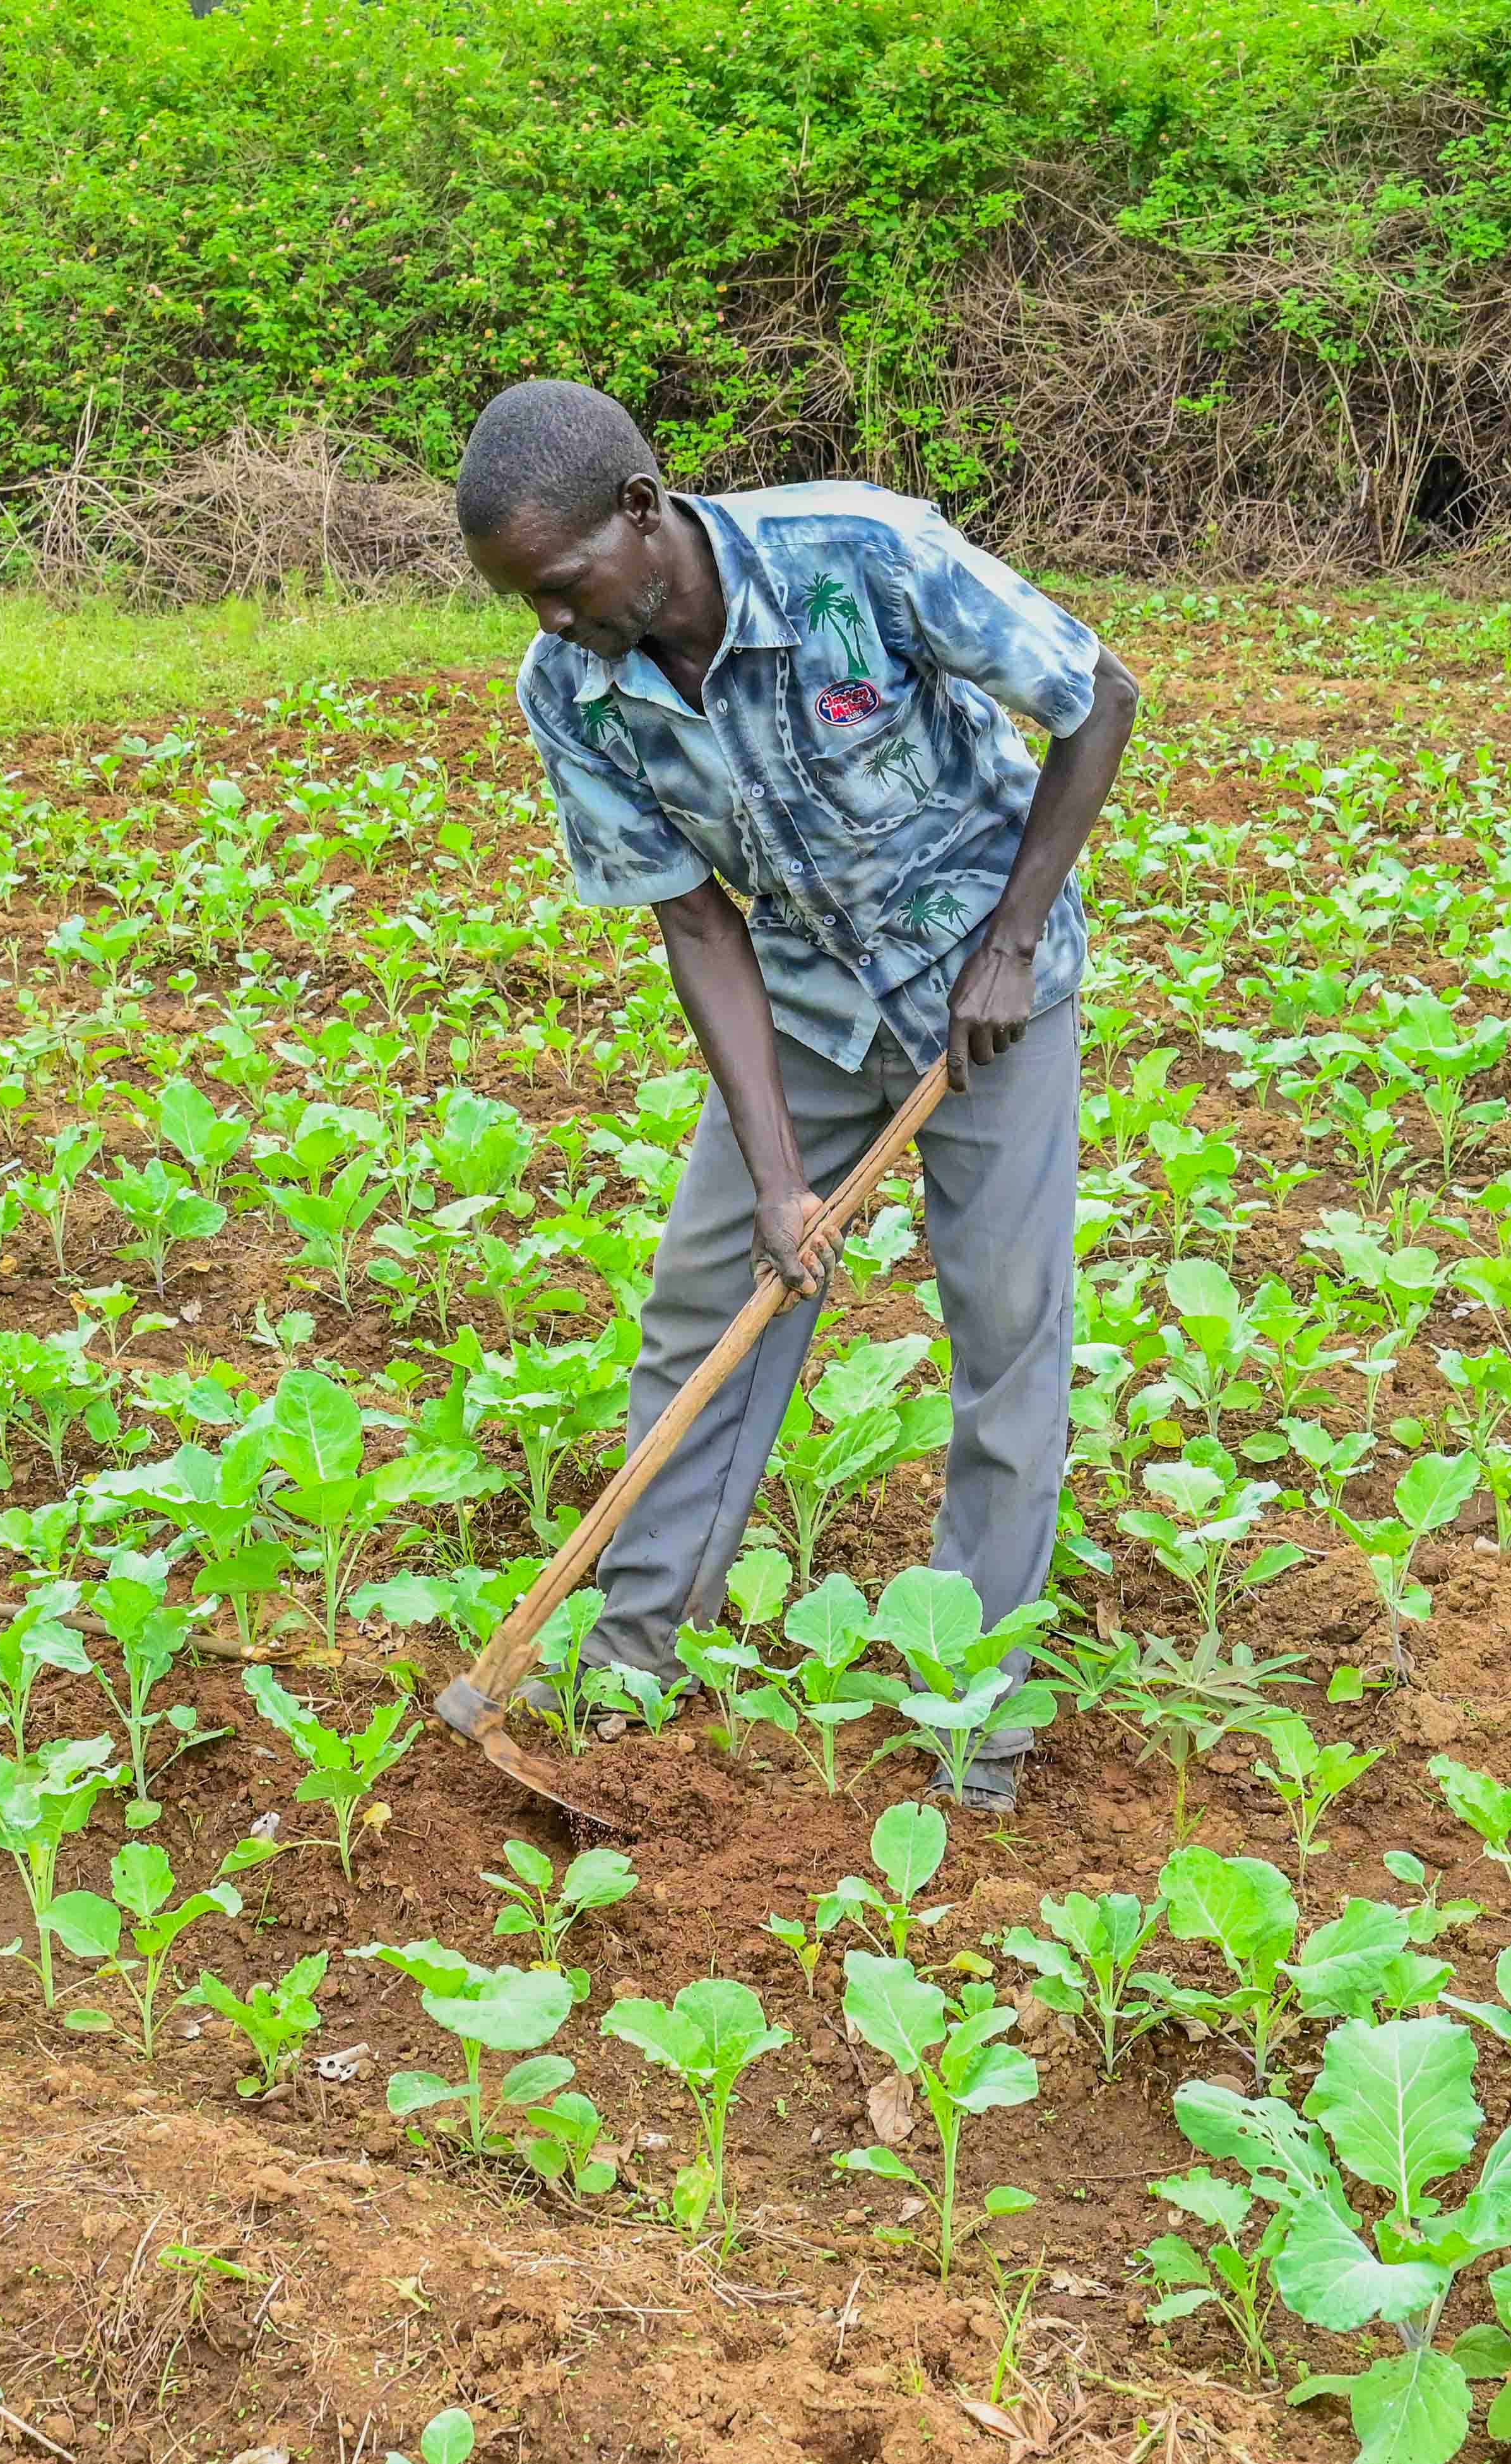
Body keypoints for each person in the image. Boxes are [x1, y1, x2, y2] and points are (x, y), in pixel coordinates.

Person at [456, 378, 1139, 1812]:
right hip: (809, 1004)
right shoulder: (570, 689)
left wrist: (1011, 947)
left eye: (567, 587)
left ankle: (977, 1715)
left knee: (1007, 1333)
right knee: (710, 1298)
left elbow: (1097, 698)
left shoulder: (861, 552)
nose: (554, 625)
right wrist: (778, 1177)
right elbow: (697, 920)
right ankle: (634, 1653)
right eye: (526, 603)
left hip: (988, 996)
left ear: (643, 514)